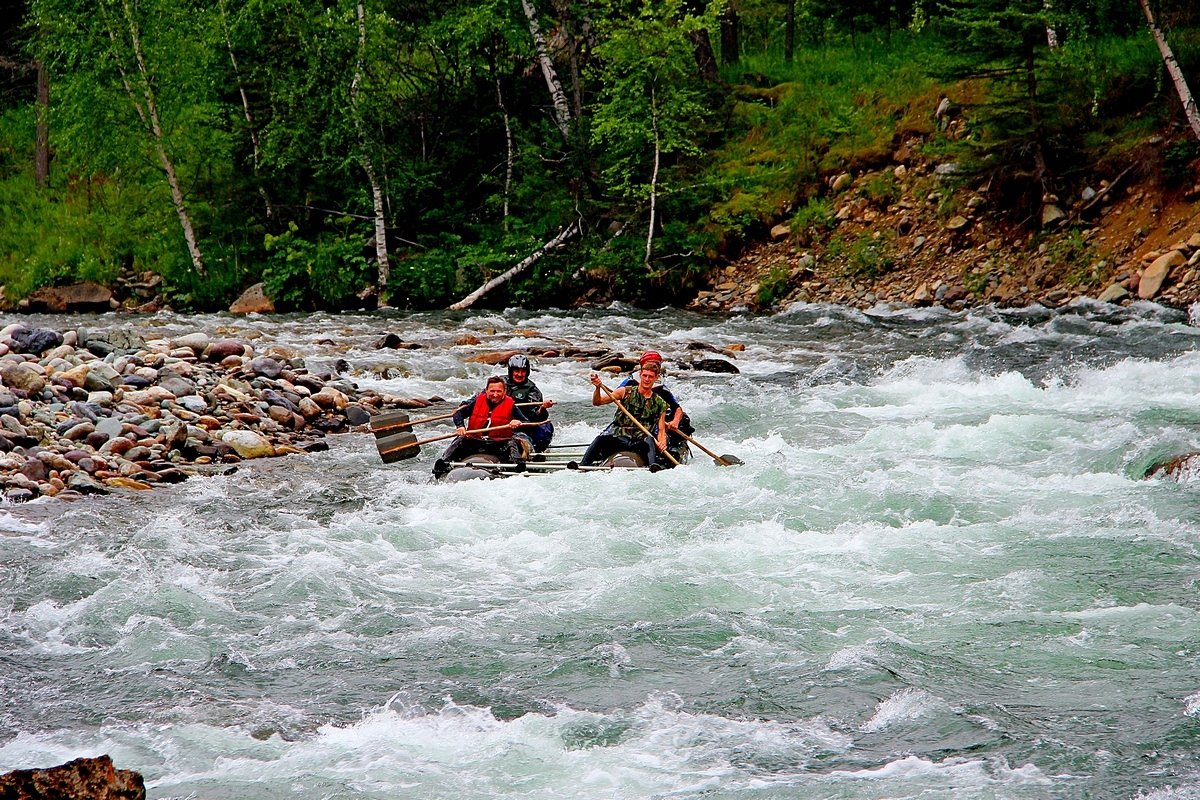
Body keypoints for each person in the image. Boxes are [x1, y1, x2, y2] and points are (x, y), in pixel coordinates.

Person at [580, 353, 674, 469]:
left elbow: (661, 430)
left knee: (649, 439)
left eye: (650, 377)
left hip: (639, 442)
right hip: (620, 438)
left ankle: (653, 467)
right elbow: (597, 402)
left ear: (656, 378)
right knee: (602, 438)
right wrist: (598, 388)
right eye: (644, 376)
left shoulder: (660, 403)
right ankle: (582, 466)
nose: (647, 379)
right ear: (640, 375)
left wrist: (662, 442)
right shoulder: (624, 391)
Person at [433, 376, 531, 477]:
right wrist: (460, 426)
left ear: (504, 392)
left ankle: (518, 467)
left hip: (498, 443)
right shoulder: (477, 401)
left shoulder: (510, 405)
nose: (495, 394)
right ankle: (443, 463)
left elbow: (526, 423)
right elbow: (458, 414)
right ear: (487, 390)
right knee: (460, 439)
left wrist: (518, 422)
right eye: (492, 391)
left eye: (499, 391)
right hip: (476, 441)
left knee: (512, 443)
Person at [618, 350, 693, 464]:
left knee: (666, 439)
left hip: (653, 422)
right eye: (650, 363)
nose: (653, 366)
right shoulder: (630, 382)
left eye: (657, 364)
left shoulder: (660, 387)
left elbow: (677, 408)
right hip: (630, 421)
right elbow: (616, 397)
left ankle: (661, 460)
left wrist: (675, 421)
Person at [504, 354, 555, 453]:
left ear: (527, 372)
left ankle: (533, 451)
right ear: (511, 371)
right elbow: (481, 397)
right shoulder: (500, 383)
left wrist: (542, 408)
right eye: (516, 371)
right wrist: (466, 404)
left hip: (523, 426)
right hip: (499, 423)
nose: (519, 374)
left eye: (523, 371)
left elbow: (536, 416)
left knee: (545, 428)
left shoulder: (533, 391)